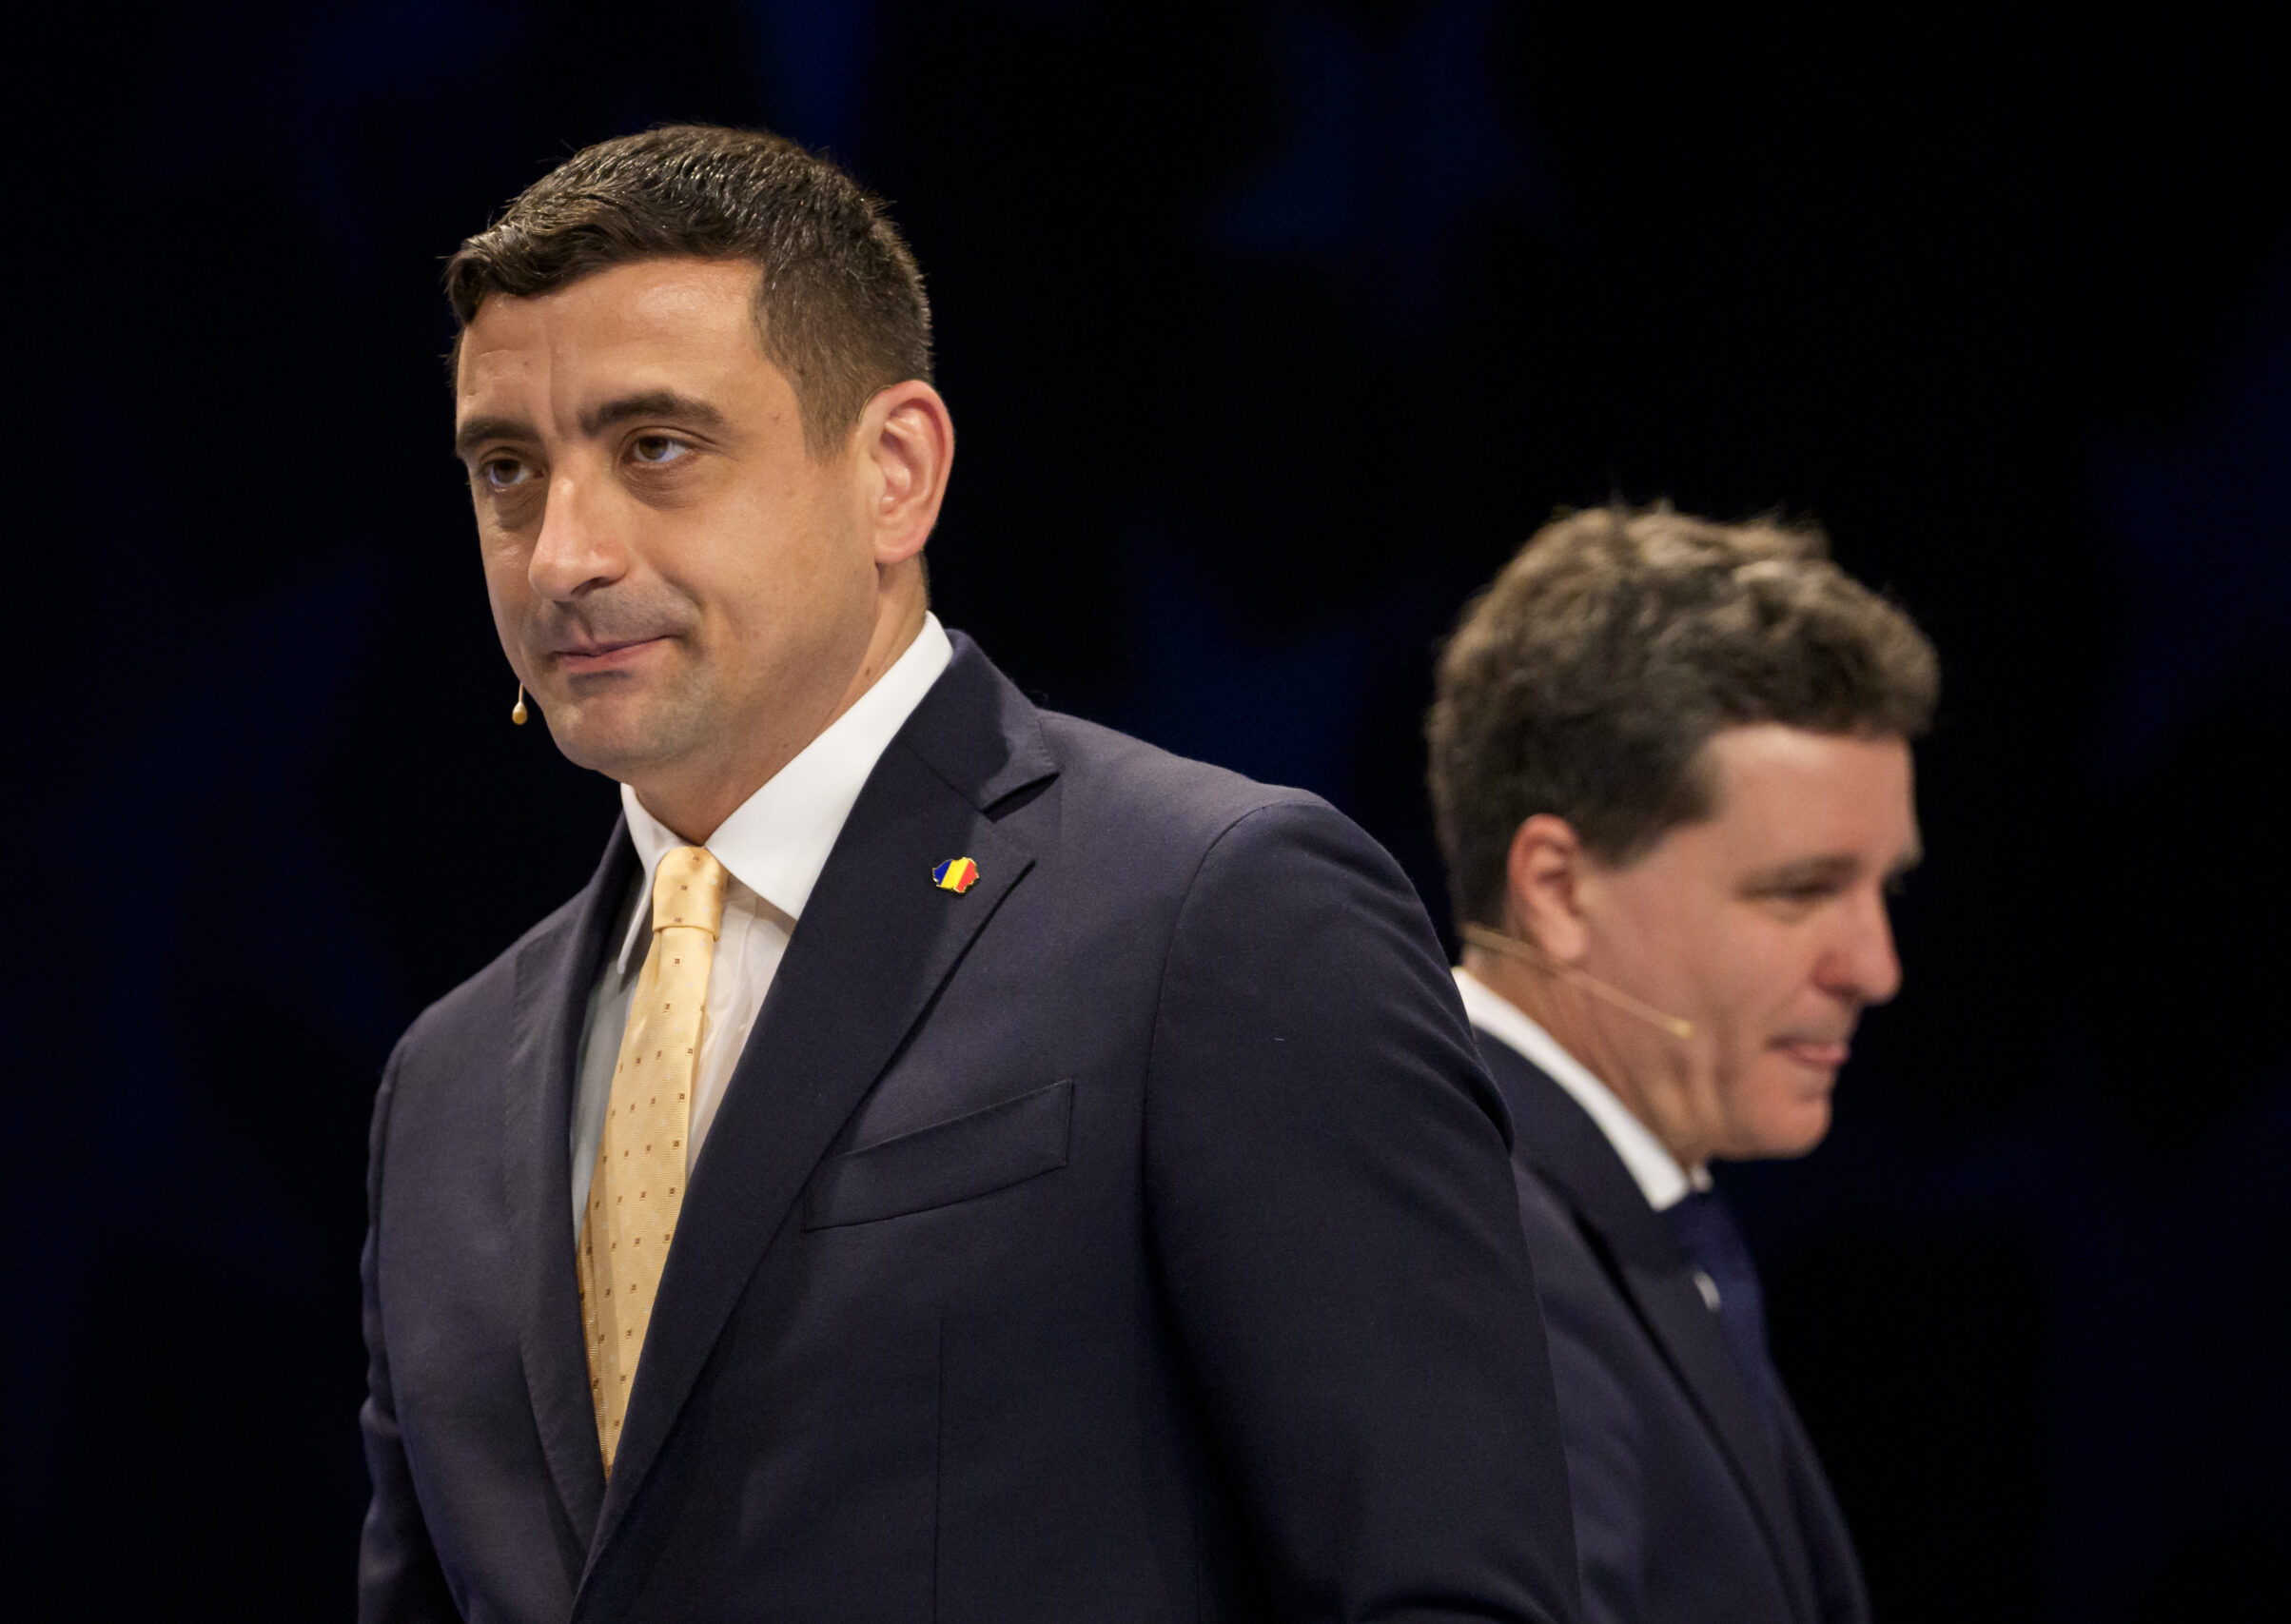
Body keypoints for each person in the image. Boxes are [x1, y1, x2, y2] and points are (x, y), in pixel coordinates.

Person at [360, 125, 1577, 1623]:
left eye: (656, 448)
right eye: (507, 469)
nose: (562, 554)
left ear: (896, 472)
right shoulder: (445, 1084)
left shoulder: (1219, 913)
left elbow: (1444, 1586)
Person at [1426, 504, 1937, 1624]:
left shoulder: (1602, 1212)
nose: (1875, 967)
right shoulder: (1477, 1235)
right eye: (1799, 891)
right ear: (1557, 890)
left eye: (1883, 889)